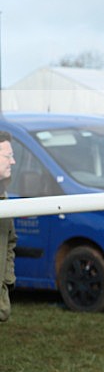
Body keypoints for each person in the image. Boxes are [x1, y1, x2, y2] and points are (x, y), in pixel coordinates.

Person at [0, 131, 17, 322]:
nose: (12, 162)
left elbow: (10, 241)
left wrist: (6, 280)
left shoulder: (4, 195)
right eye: (8, 156)